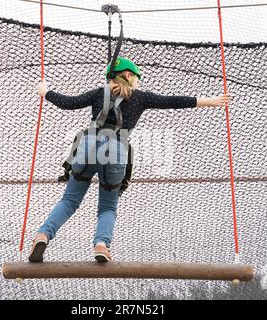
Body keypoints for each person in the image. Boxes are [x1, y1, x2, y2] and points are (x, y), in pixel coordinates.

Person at [29, 57, 231, 263]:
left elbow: (68, 103)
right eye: (135, 77)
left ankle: (43, 235)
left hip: (87, 146)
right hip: (115, 150)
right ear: (127, 75)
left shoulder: (99, 93)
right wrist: (210, 101)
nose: (137, 81)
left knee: (70, 201)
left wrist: (45, 92)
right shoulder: (139, 98)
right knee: (107, 207)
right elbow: (172, 101)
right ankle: (101, 244)